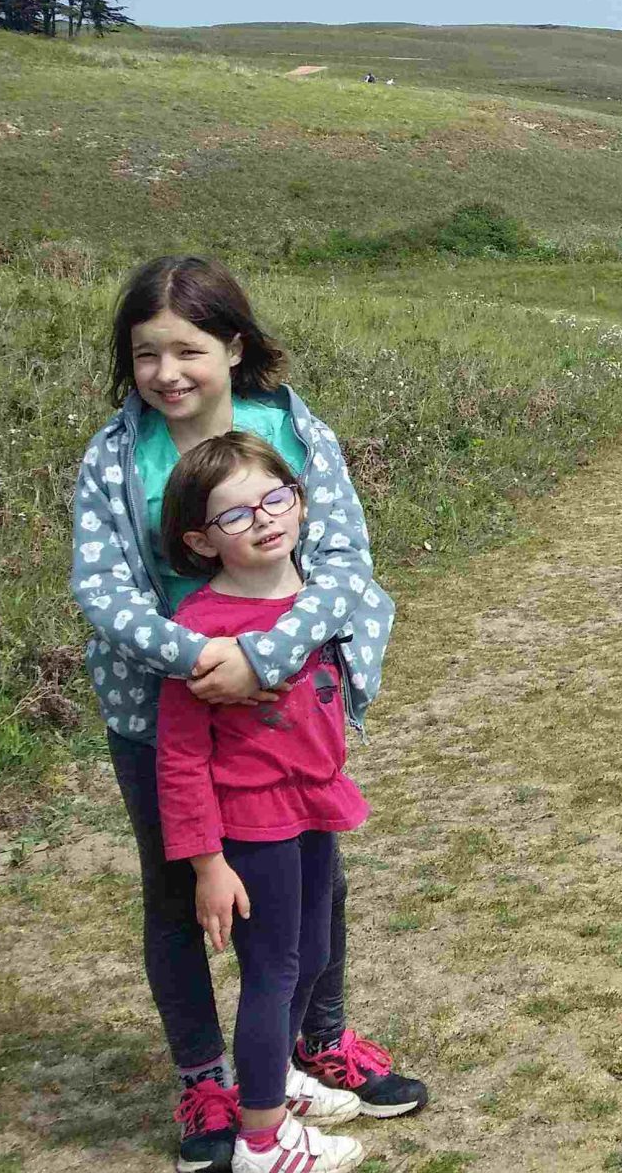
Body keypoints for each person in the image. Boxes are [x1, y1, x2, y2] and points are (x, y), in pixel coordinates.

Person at [71, 256, 425, 1173]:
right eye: (145, 353)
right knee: (176, 892)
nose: (166, 373)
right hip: (163, 715)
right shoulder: (114, 456)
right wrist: (199, 661)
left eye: (187, 349)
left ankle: (316, 1047)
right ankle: (207, 1083)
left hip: (290, 709)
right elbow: (102, 591)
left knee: (316, 886)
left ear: (233, 346)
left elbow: (343, 563)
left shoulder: (294, 434)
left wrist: (262, 659)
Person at [157, 432, 373, 1172]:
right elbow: (181, 756)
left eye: (275, 499)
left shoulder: (315, 601)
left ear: (300, 500)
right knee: (274, 971)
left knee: (313, 956)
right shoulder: (200, 630)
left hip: (312, 806)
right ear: (201, 540)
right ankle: (260, 1139)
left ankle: (273, 1081)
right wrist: (207, 863)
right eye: (235, 514)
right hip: (253, 824)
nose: (264, 519)